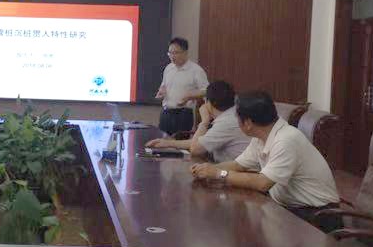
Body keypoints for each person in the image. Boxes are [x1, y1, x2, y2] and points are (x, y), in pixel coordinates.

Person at [190, 91, 341, 233]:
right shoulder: (261, 136)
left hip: (316, 217)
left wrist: (218, 173)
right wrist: (206, 169)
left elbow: (262, 183)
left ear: (248, 123)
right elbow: (238, 165)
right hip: (289, 208)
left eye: (237, 118)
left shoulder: (286, 140)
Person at [146, 80, 250, 162]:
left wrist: (204, 122)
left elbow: (195, 149)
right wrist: (167, 143)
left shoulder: (226, 122)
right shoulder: (232, 114)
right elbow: (202, 142)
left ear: (208, 102)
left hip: (236, 174)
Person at [155, 37, 209, 135]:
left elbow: (207, 91)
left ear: (185, 52)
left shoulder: (196, 70)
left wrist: (190, 96)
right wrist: (161, 92)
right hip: (166, 112)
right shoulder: (168, 68)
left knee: (180, 141)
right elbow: (163, 86)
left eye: (175, 53)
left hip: (183, 113)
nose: (172, 56)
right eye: (170, 53)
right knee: (162, 140)